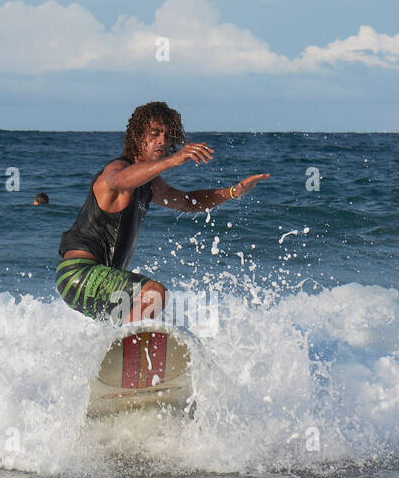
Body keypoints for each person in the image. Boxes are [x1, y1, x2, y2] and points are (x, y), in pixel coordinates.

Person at [56, 102, 268, 323]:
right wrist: (172, 161)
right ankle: (125, 341)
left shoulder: (150, 185)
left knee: (136, 313)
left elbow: (187, 202)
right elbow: (118, 180)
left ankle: (116, 348)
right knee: (154, 294)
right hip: (78, 273)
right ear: (138, 137)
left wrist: (232, 192)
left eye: (167, 137)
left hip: (96, 280)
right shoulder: (117, 169)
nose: (162, 141)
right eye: (154, 134)